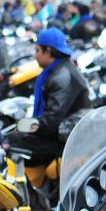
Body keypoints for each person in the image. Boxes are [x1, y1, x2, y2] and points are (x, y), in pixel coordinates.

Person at [5, 28, 89, 167]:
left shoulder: (62, 76)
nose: (35, 55)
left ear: (48, 51)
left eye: (37, 50)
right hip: (58, 133)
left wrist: (26, 126)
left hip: (63, 141)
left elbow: (52, 119)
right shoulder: (57, 70)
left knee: (9, 143)